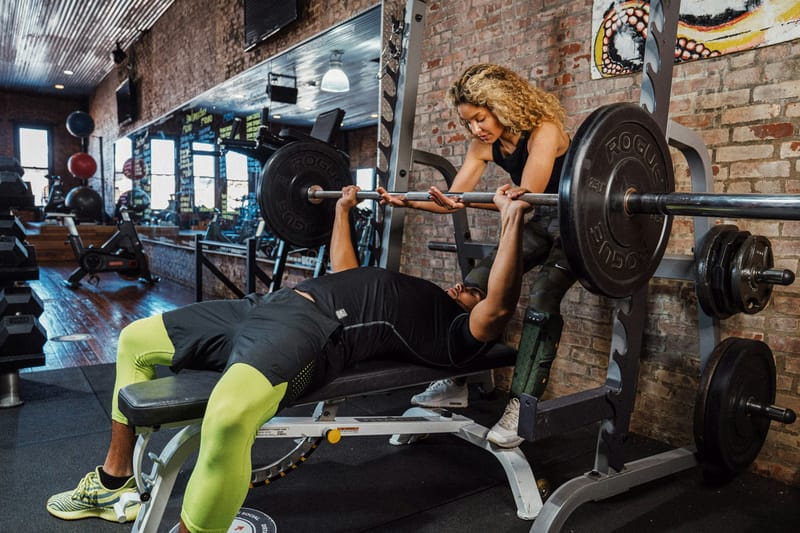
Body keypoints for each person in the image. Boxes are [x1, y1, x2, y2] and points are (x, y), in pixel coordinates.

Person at [46, 184, 531, 533]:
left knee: (230, 416)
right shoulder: (417, 292)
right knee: (135, 339)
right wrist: (343, 209)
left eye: (469, 289)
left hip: (311, 331)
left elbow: (501, 305)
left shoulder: (455, 334)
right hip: (266, 304)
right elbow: (346, 271)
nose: (457, 286)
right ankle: (114, 483)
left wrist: (510, 220)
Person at [378, 63, 576, 448]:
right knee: (472, 288)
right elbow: (456, 198)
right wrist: (408, 201)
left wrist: (481, 201)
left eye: (481, 118)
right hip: (536, 223)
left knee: (544, 294)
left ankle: (522, 405)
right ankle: (455, 381)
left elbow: (526, 197)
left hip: (572, 224)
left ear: (502, 105)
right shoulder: (482, 145)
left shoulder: (545, 131)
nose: (476, 129)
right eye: (469, 122)